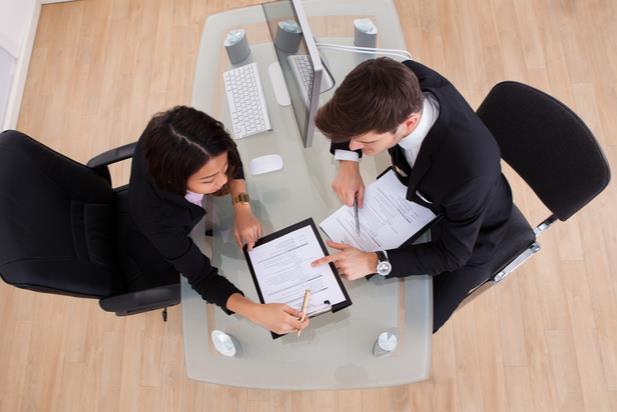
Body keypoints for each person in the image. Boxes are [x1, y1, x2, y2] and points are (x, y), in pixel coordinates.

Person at [310, 58, 513, 332]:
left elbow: (452, 255)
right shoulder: (400, 77)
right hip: (413, 196)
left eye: (366, 142)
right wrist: (348, 162)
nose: (355, 145)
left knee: (414, 330)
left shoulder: (469, 173)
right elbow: (350, 118)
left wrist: (374, 261)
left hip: (470, 232)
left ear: (409, 123)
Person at [125, 106, 307, 335]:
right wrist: (254, 311)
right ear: (175, 180)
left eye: (223, 169)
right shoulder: (158, 218)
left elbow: (228, 155)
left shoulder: (172, 133)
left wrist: (242, 207)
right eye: (209, 179)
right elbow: (202, 278)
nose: (224, 182)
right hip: (155, 244)